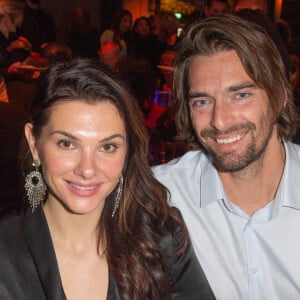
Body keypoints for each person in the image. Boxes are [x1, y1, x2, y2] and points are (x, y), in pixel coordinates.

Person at [0, 58, 215, 299]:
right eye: (67, 144)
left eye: (108, 147)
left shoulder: (161, 241)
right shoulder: (5, 252)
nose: (88, 169)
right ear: (34, 143)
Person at [152, 14, 300, 299]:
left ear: (280, 95)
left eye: (240, 95)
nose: (219, 121)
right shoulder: (159, 195)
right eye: (203, 101)